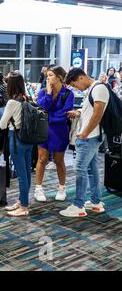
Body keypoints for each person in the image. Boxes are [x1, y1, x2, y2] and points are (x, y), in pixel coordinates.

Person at [59, 68, 109, 217]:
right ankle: (96, 202)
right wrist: (79, 112)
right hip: (90, 136)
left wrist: (84, 134)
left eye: (75, 85)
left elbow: (98, 115)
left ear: (81, 78)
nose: (76, 89)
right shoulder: (94, 88)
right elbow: (91, 110)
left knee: (80, 168)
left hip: (90, 137)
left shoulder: (99, 88)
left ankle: (78, 205)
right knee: (91, 169)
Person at [33, 66, 75, 202]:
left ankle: (62, 188)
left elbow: (65, 114)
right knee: (42, 159)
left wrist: (51, 117)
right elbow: (42, 108)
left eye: (50, 75)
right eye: (47, 75)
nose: (48, 78)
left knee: (59, 161)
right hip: (44, 130)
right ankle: (38, 189)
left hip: (60, 131)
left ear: (59, 77)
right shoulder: (43, 92)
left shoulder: (69, 94)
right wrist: (49, 94)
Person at [0, 71, 32, 217]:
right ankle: (21, 201)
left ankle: (24, 207)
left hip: (16, 138)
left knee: (21, 175)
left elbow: (2, 124)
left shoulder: (12, 102)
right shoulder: (26, 98)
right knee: (26, 172)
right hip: (28, 138)